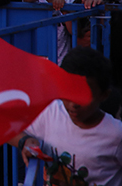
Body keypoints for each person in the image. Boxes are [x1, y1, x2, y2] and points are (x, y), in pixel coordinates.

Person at [13, 48, 122, 186]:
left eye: (83, 96)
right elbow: (6, 125)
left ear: (104, 95)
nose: (73, 103)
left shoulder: (116, 135)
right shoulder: (50, 114)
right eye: (68, 92)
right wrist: (24, 140)